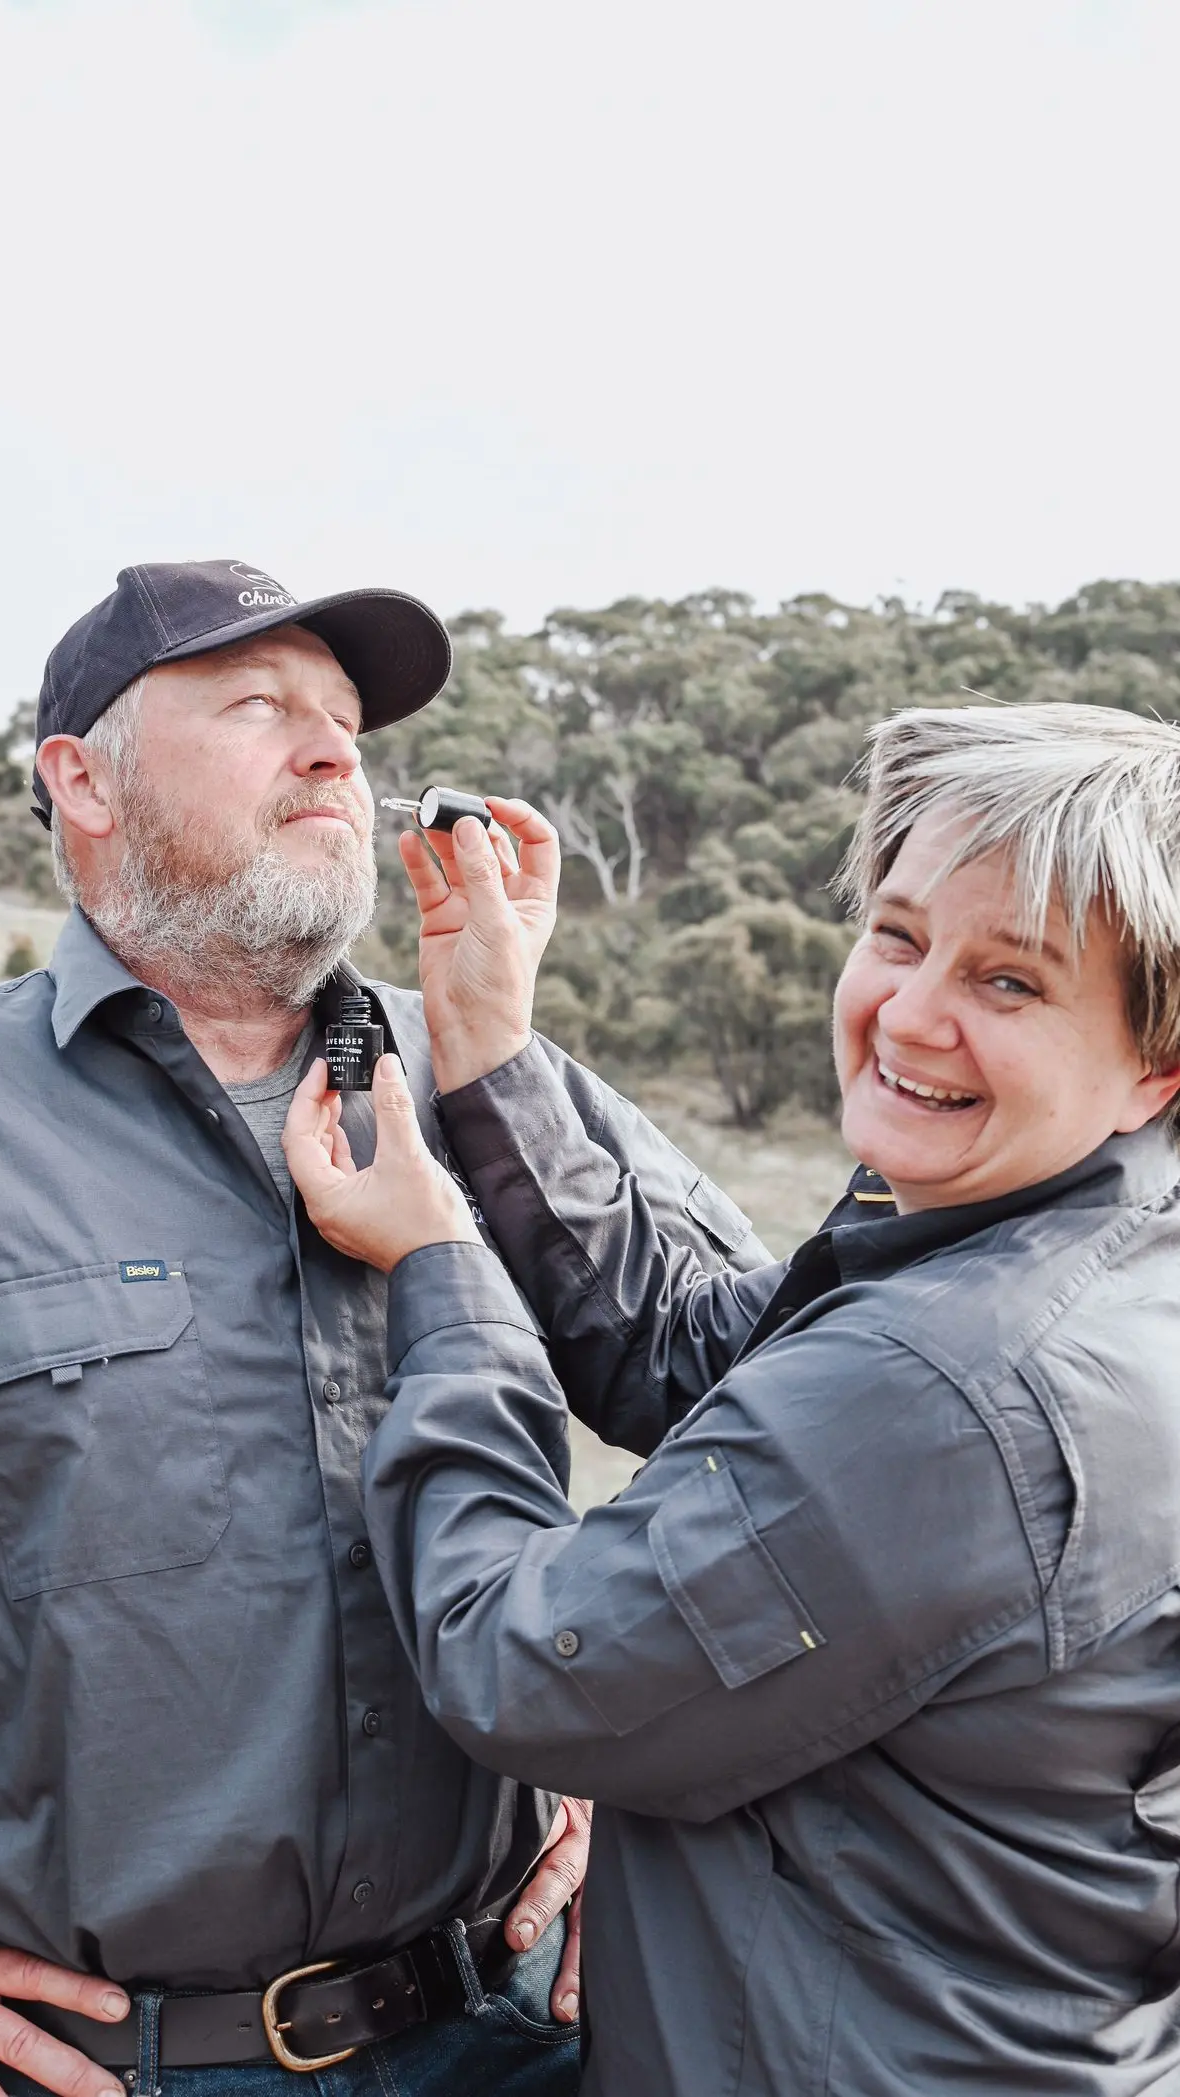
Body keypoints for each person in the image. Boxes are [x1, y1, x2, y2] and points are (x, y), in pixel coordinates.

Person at [0, 560, 764, 2097]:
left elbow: (758, 1411)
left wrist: (625, 1771)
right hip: (93, 2071)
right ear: (79, 782)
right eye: (260, 708)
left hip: (525, 2035)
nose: (332, 755)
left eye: (347, 724)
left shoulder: (491, 1073)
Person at [283, 702, 1180, 2095]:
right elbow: (688, 1355)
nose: (914, 1011)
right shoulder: (1056, 1225)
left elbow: (524, 1664)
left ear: (1156, 1065)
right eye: (898, 933)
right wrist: (492, 1059)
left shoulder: (954, 1388)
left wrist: (440, 1272)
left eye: (1013, 983)